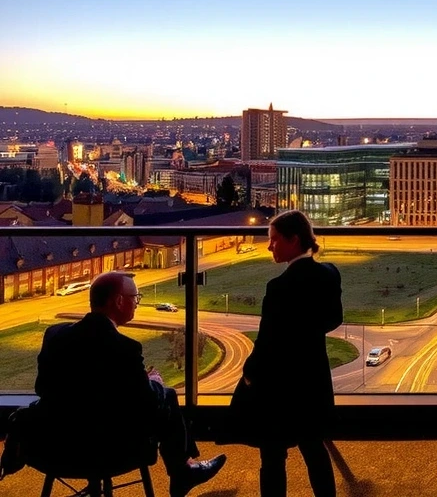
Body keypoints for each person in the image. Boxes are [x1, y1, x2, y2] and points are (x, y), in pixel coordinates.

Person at [32, 272, 226, 497]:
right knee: (166, 395)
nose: (137, 302)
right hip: (108, 449)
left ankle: (183, 469)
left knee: (158, 395)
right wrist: (151, 382)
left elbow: (42, 388)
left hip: (55, 445)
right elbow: (146, 403)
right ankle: (181, 471)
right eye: (136, 297)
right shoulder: (125, 348)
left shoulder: (54, 335)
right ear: (119, 301)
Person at [238, 210, 343, 497]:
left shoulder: (279, 288)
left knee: (272, 455)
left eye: (273, 240)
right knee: (314, 450)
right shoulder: (330, 273)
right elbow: (334, 320)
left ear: (293, 240)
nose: (269, 246)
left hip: (280, 384)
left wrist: (249, 373)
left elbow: (268, 339)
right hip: (313, 377)